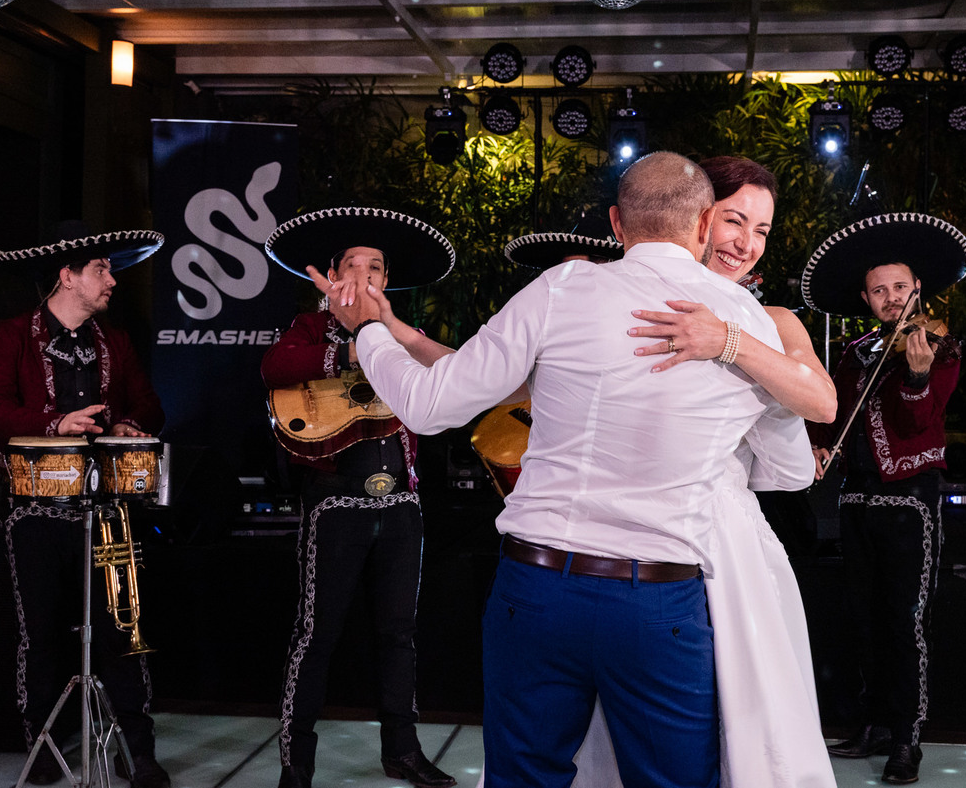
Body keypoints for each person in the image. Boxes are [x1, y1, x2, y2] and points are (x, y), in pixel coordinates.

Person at [307, 152, 816, 788]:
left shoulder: (563, 289)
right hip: (661, 599)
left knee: (523, 778)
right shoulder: (744, 323)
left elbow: (432, 404)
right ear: (706, 221)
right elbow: (797, 455)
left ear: (615, 222)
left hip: (537, 589)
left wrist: (368, 332)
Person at [571, 156, 839, 788]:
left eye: (763, 230)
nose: (746, 243)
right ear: (695, 219)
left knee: (742, 725)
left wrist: (727, 340)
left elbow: (822, 401)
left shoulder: (773, 320)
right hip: (616, 531)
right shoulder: (608, 297)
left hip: (726, 538)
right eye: (734, 220)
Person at [260, 207, 459, 788]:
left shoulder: (400, 335)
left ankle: (401, 750)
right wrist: (351, 347)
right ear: (332, 274)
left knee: (399, 634)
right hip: (335, 504)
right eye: (354, 265)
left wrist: (390, 331)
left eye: (376, 267)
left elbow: (454, 371)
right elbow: (275, 367)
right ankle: (296, 763)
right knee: (315, 635)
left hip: (401, 505)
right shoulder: (309, 330)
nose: (365, 275)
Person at [0, 225, 170, 788]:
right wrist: (52, 423)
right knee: (42, 630)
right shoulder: (12, 336)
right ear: (68, 275)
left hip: (108, 508)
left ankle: (140, 751)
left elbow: (151, 406)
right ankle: (42, 744)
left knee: (121, 628)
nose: (112, 279)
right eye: (102, 269)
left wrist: (134, 423)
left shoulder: (116, 340)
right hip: (35, 509)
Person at [802, 212, 966, 784]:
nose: (891, 297)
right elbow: (834, 415)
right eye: (879, 289)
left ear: (917, 288)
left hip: (911, 505)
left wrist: (918, 378)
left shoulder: (937, 348)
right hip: (857, 501)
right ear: (865, 297)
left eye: (900, 287)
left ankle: (907, 738)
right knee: (863, 619)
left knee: (905, 623)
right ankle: (872, 725)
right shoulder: (854, 352)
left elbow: (917, 419)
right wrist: (822, 446)